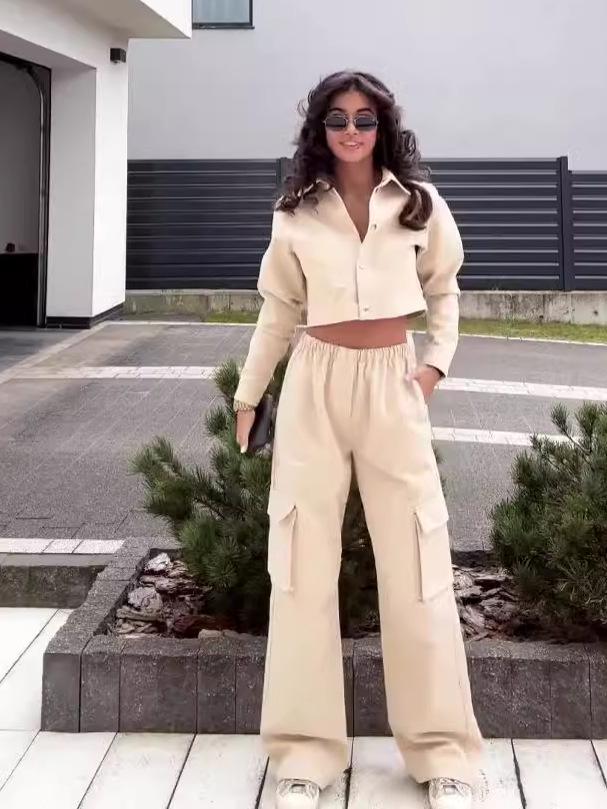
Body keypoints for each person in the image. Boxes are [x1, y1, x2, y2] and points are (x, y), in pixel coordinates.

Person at [233, 70, 485, 809]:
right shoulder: (295, 211)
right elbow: (278, 309)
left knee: (418, 562)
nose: (351, 130)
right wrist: (249, 394)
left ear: (383, 127)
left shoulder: (418, 204)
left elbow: (444, 289)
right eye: (338, 118)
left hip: (391, 383)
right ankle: (303, 757)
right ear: (320, 128)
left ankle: (442, 754)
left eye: (364, 118)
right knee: (300, 565)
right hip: (313, 384)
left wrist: (434, 364)